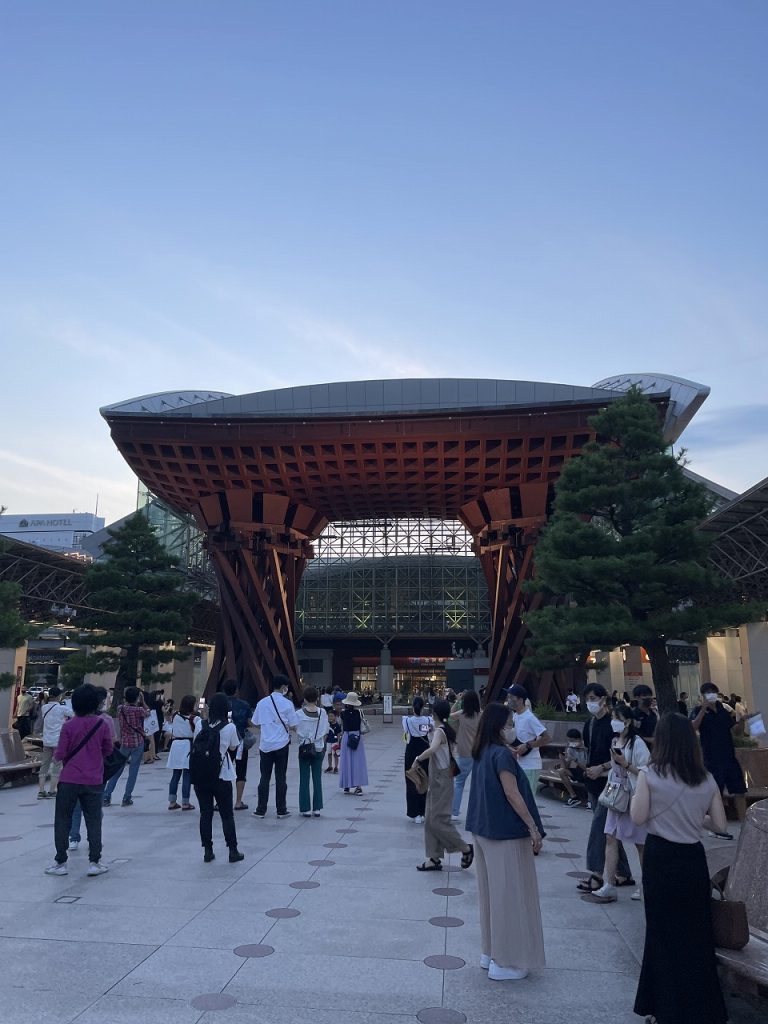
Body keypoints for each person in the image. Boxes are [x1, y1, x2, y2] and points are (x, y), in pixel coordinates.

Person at [631, 713, 729, 1024]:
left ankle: (664, 1009)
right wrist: (694, 817)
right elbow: (721, 824)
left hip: (661, 859)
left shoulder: (650, 774)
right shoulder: (706, 778)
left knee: (661, 934)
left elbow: (637, 817)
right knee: (695, 935)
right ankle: (703, 1008)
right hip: (693, 861)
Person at [466, 702, 545, 981]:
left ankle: (490, 953)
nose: (513, 728)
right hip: (504, 832)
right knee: (508, 896)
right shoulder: (502, 755)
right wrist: (533, 827)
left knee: (491, 895)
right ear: (500, 727)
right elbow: (512, 794)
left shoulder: (483, 751)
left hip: (483, 829)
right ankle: (507, 960)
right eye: (510, 723)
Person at [582, 703, 649, 904]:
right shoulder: (615, 740)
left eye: (618, 718)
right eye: (613, 718)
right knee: (610, 837)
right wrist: (601, 771)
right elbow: (614, 767)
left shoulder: (637, 743)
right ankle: (609, 884)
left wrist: (625, 764)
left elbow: (647, 771)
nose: (614, 722)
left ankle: (646, 884)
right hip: (614, 795)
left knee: (640, 843)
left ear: (627, 721)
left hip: (633, 797)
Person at [45, 684, 113, 877]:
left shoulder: (68, 726)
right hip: (94, 779)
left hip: (69, 779)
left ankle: (60, 862)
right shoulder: (102, 725)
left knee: (62, 819)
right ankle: (94, 861)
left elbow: (59, 754)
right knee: (94, 820)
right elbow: (108, 750)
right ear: (95, 704)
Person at [576, 683, 634, 895]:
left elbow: (622, 755)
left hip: (612, 784)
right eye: (587, 698)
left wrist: (601, 768)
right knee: (610, 830)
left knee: (599, 828)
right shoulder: (589, 724)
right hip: (594, 782)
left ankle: (596, 874)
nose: (590, 702)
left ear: (603, 699)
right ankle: (624, 872)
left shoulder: (614, 724)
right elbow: (589, 750)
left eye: (593, 697)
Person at [413, 698, 474, 873]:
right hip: (439, 779)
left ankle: (465, 848)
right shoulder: (446, 727)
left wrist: (417, 759)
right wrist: (458, 700)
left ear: (434, 714)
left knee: (437, 820)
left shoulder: (440, 731)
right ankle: (433, 857)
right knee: (430, 819)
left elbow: (432, 749)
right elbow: (450, 712)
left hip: (441, 780)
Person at [192, 692, 243, 863]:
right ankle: (233, 850)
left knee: (205, 813)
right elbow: (234, 747)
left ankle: (207, 850)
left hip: (201, 776)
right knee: (226, 814)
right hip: (221, 775)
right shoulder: (229, 727)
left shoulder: (200, 724)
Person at [690, 682, 746, 824]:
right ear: (702, 696)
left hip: (729, 757)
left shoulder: (723, 710)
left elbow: (736, 731)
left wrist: (742, 721)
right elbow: (693, 727)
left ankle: (745, 822)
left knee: (739, 790)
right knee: (715, 793)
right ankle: (716, 824)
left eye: (713, 692)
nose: (711, 695)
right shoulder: (698, 710)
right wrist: (703, 709)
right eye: (708, 693)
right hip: (712, 759)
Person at [68, 686, 116, 851]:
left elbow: (61, 752)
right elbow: (109, 747)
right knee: (94, 808)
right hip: (96, 771)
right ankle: (93, 839)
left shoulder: (70, 723)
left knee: (76, 806)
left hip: (73, 773)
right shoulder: (105, 721)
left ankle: (73, 837)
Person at [252, 674, 300, 819]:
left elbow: (255, 722)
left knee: (264, 777)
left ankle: (261, 809)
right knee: (280, 777)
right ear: (284, 687)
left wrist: (268, 725)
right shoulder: (287, 704)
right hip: (282, 744)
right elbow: (293, 725)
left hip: (266, 744)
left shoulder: (262, 703)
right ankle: (281, 809)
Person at [103, 686, 151, 806]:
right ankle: (126, 797)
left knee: (117, 770)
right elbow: (148, 712)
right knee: (133, 771)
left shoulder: (121, 709)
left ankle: (106, 796)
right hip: (138, 742)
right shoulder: (139, 710)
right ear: (137, 698)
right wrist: (143, 701)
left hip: (125, 742)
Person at [505, 685, 550, 795]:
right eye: (508, 697)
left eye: (511, 697)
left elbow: (547, 738)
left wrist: (528, 745)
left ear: (520, 700)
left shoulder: (529, 717)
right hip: (520, 763)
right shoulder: (516, 715)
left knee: (528, 801)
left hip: (530, 765)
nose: (508, 700)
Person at [295, 686, 328, 817]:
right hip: (318, 747)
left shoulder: (298, 714)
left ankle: (305, 808)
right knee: (317, 778)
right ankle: (317, 808)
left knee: (304, 778)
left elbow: (295, 729)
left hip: (304, 748)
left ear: (304, 698)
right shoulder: (323, 713)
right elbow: (325, 730)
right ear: (317, 698)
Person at [449, 689, 481, 820]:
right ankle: (478, 812)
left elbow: (450, 715)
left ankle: (454, 812)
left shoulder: (462, 715)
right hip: (479, 752)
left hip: (464, 753)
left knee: (459, 783)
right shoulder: (482, 715)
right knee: (478, 784)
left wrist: (457, 700)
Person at [37, 686, 71, 800]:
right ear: (58, 696)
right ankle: (52, 790)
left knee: (44, 765)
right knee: (57, 766)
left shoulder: (44, 707)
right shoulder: (62, 708)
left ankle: (41, 791)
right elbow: (74, 714)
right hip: (58, 741)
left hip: (46, 740)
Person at [222, 679, 252, 810]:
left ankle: (220, 801)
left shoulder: (219, 704)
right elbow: (250, 722)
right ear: (236, 690)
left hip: (223, 743)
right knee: (241, 771)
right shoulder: (244, 705)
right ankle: (238, 801)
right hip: (239, 742)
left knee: (223, 771)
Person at [402, 696, 432, 823]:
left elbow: (407, 732)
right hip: (424, 750)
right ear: (423, 707)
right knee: (424, 780)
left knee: (411, 780)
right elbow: (428, 731)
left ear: (413, 707)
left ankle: (414, 813)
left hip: (411, 751)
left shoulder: (406, 721)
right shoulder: (429, 720)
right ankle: (423, 811)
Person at [166, 694, 197, 811]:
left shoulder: (175, 716)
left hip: (176, 745)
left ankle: (172, 801)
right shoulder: (194, 718)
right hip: (187, 745)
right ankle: (185, 802)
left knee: (175, 774)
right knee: (187, 775)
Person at [339, 691, 369, 795]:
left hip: (347, 737)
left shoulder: (343, 713)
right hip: (357, 737)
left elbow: (341, 726)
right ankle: (358, 786)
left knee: (346, 761)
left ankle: (346, 784)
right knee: (358, 762)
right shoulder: (359, 713)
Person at [556, 728, 587, 807]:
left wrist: (575, 759)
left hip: (587, 770)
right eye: (569, 741)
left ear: (579, 739)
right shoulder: (570, 748)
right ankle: (573, 796)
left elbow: (586, 767)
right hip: (579, 770)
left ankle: (590, 800)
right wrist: (563, 759)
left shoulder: (586, 748)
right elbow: (566, 766)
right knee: (562, 771)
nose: (571, 743)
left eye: (572, 741)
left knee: (587, 773)